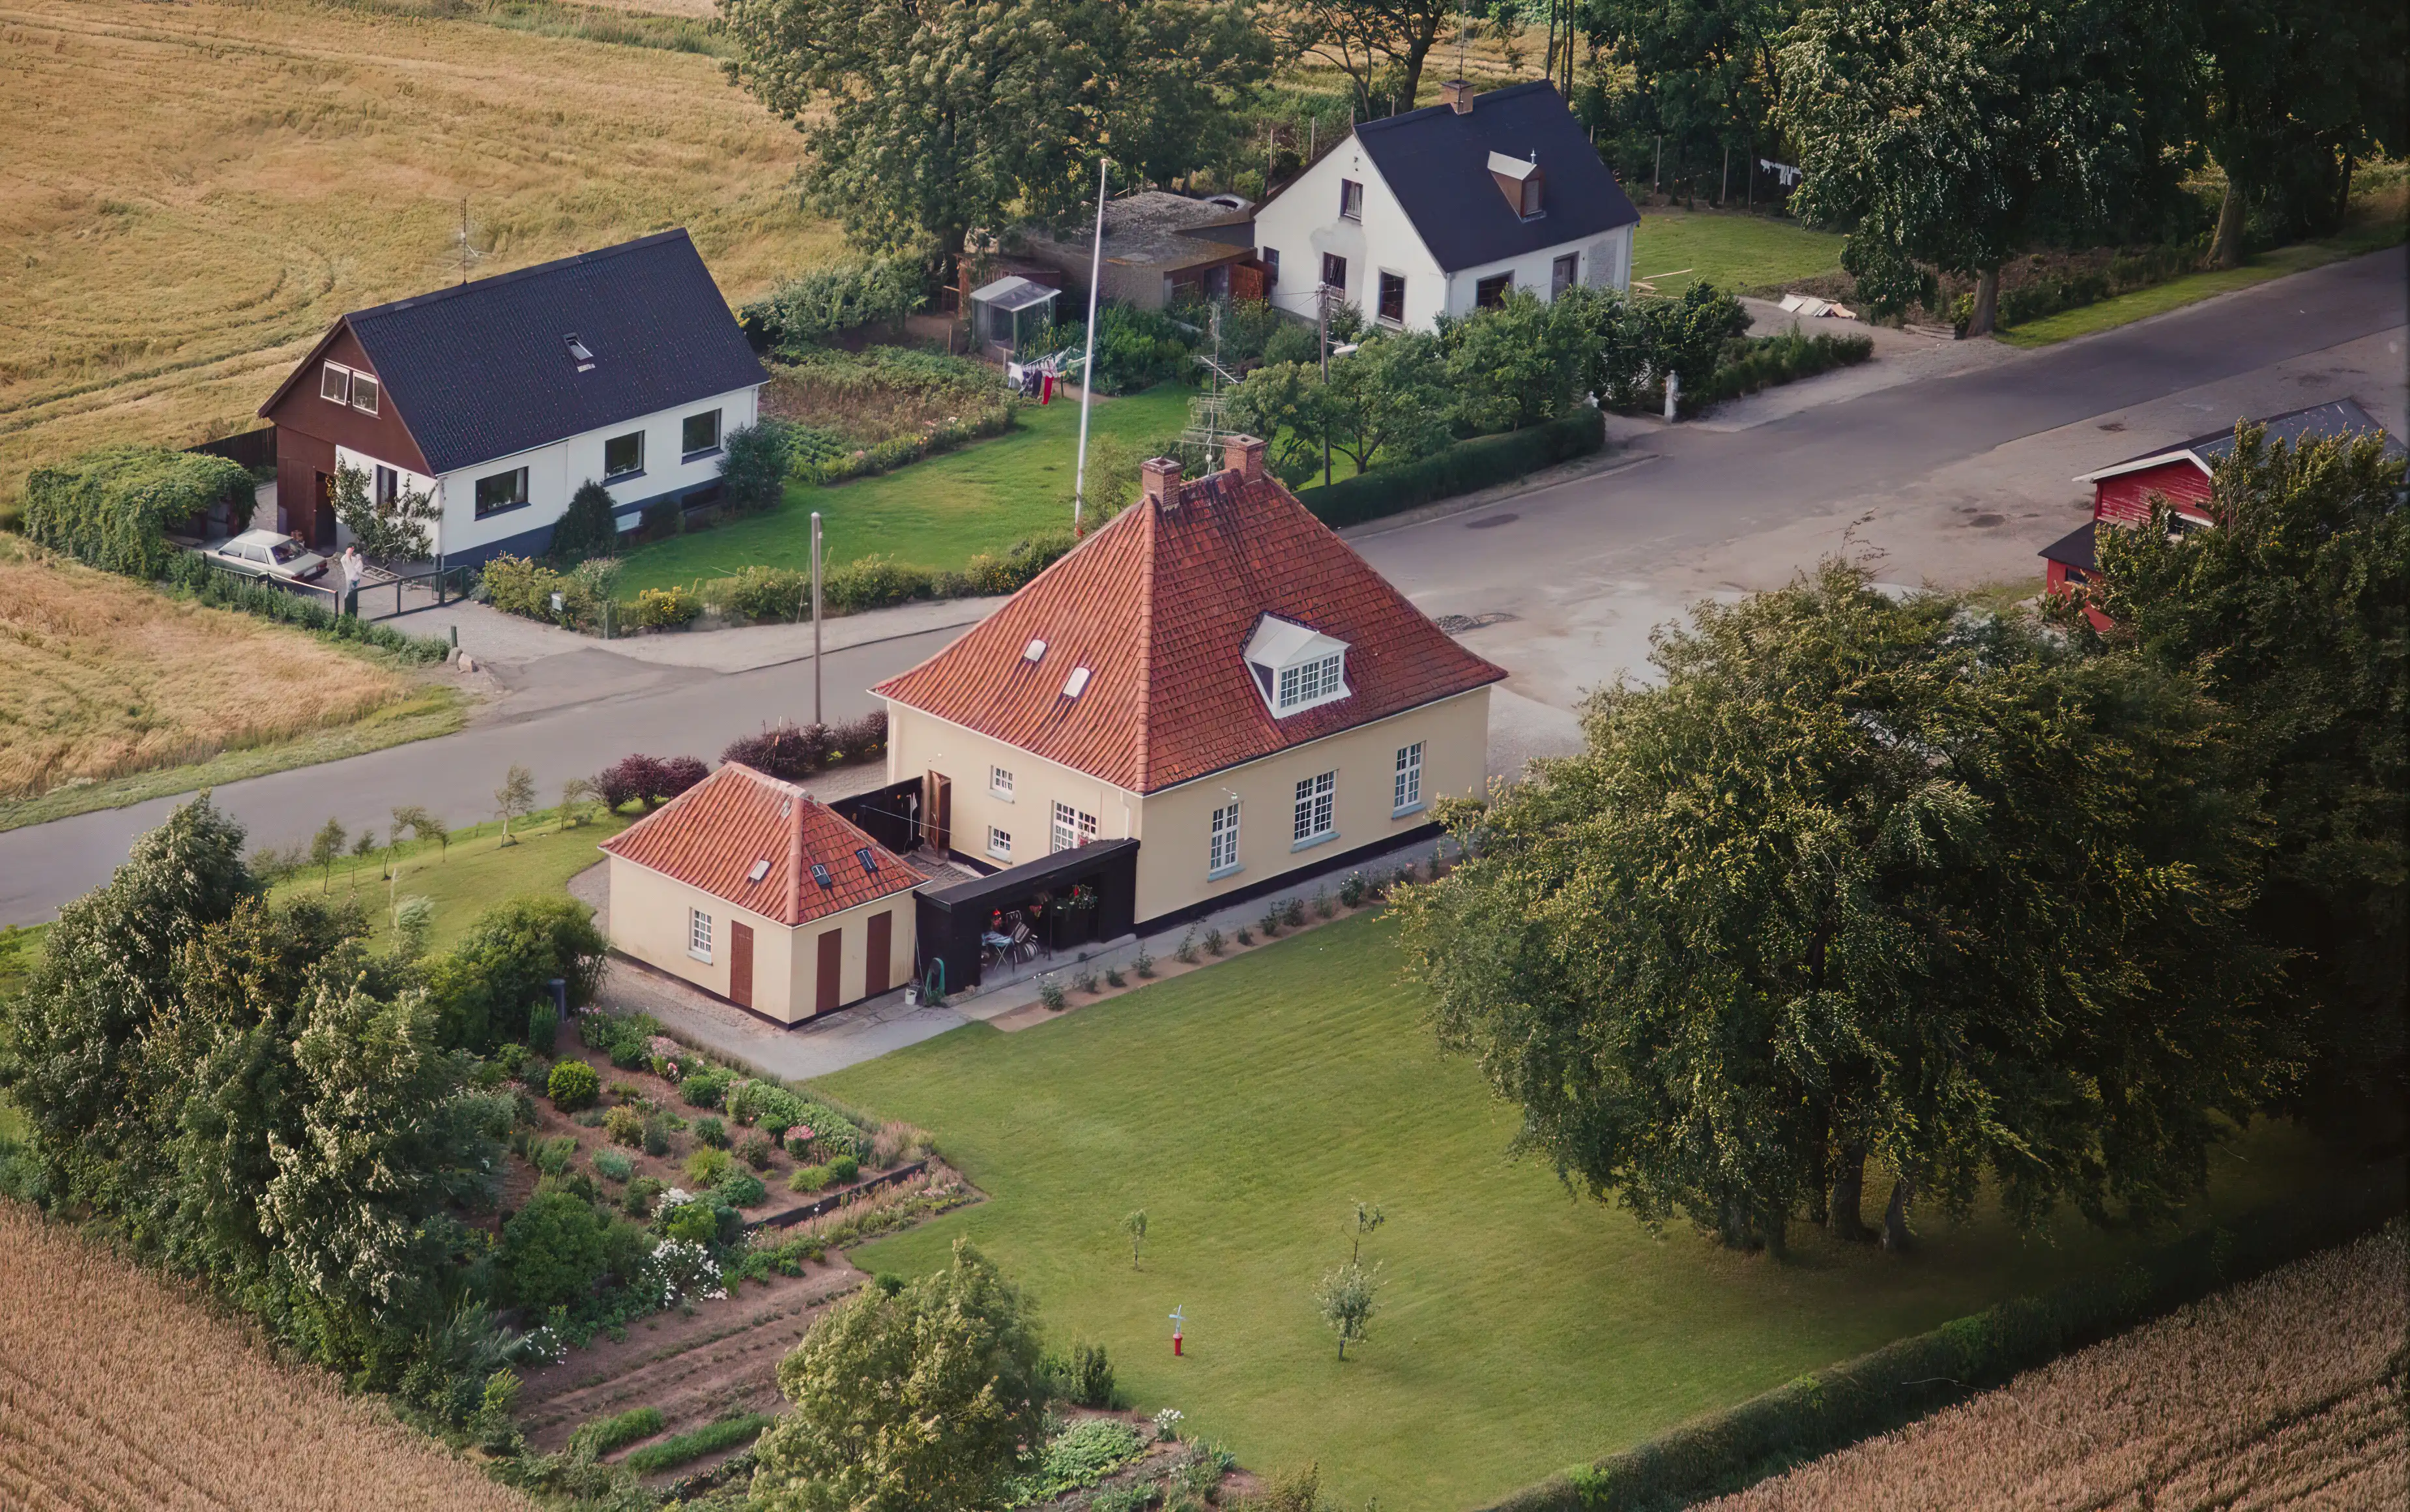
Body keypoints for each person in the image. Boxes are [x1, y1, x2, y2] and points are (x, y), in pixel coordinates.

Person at [340, 544, 362, 617]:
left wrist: (359, 560)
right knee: (349, 594)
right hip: (350, 579)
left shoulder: (355, 559)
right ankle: (348, 611)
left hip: (355, 579)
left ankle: (352, 611)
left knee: (353, 593)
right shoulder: (344, 559)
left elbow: (359, 567)